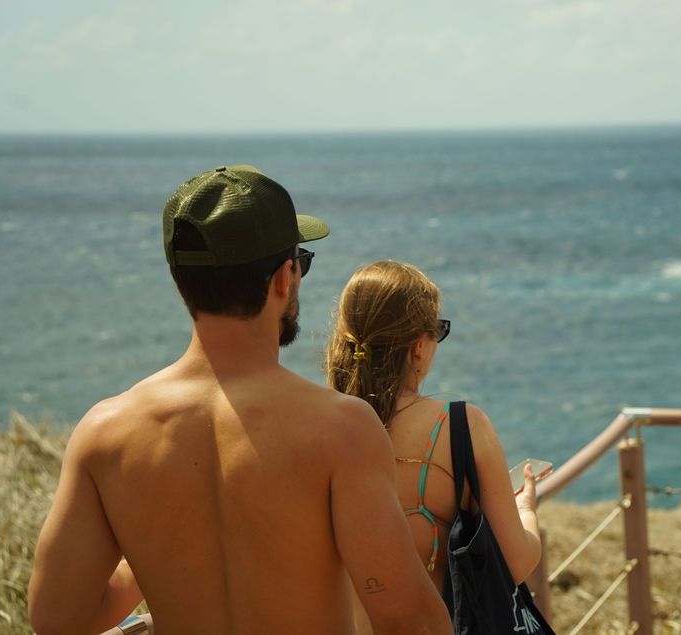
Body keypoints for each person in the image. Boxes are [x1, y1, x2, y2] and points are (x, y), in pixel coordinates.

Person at [28, 166, 452, 635]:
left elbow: (58, 619)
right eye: (301, 261)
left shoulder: (105, 433)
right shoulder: (342, 429)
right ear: (284, 278)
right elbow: (408, 619)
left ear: (180, 279)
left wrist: (151, 544)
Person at [325, 260, 543, 631]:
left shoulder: (317, 426)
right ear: (418, 347)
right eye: (438, 330)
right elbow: (515, 562)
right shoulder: (460, 425)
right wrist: (526, 511)